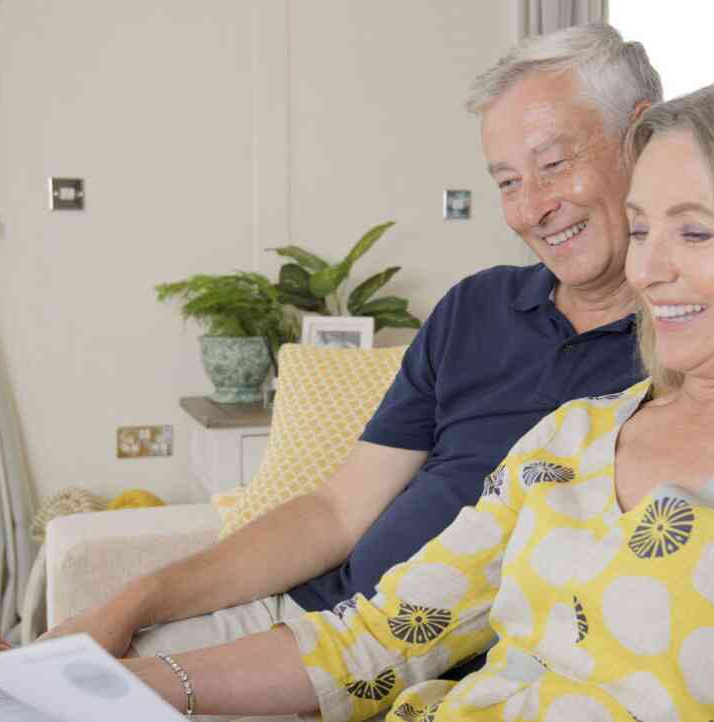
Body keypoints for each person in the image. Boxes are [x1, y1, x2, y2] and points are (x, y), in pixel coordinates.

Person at [121, 65, 714, 721]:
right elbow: (382, 636)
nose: (645, 271)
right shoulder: (574, 432)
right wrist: (136, 683)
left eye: (695, 234)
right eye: (642, 231)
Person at [43, 22, 658, 681]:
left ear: (643, 139)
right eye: (508, 182)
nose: (532, 208)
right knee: (42, 683)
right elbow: (336, 512)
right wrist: (134, 602)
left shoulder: (694, 354)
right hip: (307, 620)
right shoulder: (476, 308)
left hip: (416, 672)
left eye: (554, 164)